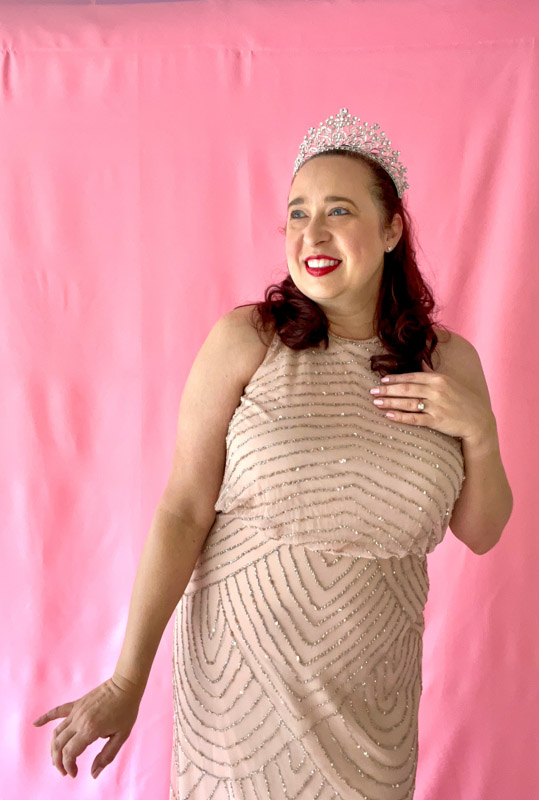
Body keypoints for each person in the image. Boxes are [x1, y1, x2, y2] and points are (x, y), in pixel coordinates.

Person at [33, 107, 513, 799]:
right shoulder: (246, 340)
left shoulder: (449, 362)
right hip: (242, 697)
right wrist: (127, 679)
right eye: (296, 213)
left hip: (372, 706)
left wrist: (482, 431)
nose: (311, 233)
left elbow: (483, 530)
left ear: (391, 229)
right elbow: (182, 509)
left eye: (338, 210)